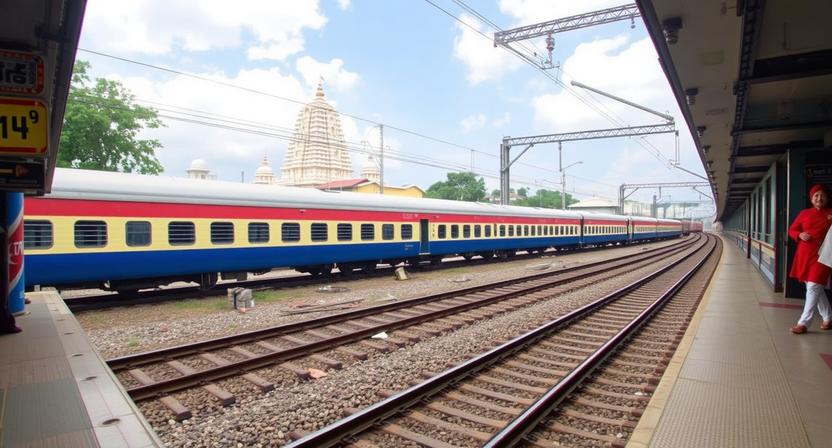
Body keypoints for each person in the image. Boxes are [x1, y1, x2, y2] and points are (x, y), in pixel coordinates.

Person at [788, 183, 832, 334]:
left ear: (827, 198)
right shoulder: (804, 213)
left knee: (813, 286)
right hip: (805, 255)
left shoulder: (831, 213)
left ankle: (804, 323)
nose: (819, 198)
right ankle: (828, 317)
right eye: (816, 195)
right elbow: (792, 229)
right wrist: (799, 235)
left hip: (824, 256)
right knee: (815, 287)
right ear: (812, 199)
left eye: (822, 195)